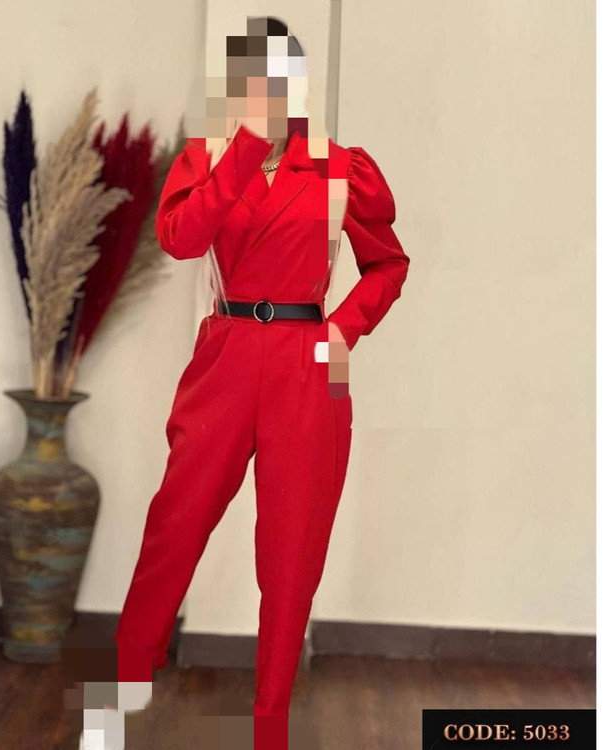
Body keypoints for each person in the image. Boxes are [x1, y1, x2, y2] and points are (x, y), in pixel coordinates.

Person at [111, 15, 410, 750]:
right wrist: (245, 147)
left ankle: (270, 721)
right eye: (250, 81)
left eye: (277, 79)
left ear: (296, 85)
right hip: (227, 352)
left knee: (292, 548)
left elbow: (389, 264)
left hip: (309, 364)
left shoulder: (340, 169)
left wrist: (341, 330)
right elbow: (182, 241)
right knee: (175, 523)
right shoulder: (210, 158)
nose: (264, 93)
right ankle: (120, 687)